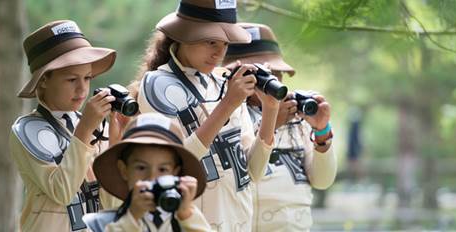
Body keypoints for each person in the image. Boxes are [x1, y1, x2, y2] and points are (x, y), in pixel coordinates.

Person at [131, 0, 280, 230]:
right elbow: (171, 164)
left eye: (225, 43)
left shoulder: (223, 83)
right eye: (211, 42)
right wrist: (227, 105)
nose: (219, 53)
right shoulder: (156, 85)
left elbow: (253, 172)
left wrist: (270, 109)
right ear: (183, 35)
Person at [223, 23, 338, 231]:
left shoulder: (297, 116)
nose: (273, 84)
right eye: (261, 77)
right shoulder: (225, 116)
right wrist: (271, 122)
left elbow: (322, 180)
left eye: (277, 73)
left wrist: (321, 132)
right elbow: (239, 174)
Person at [10, 20, 123, 231]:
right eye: (71, 80)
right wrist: (84, 130)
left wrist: (115, 145)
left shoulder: (95, 125)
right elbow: (62, 191)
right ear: (43, 80)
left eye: (87, 78)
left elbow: (111, 206)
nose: (82, 89)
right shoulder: (26, 130)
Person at [82, 113, 212, 231]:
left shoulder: (188, 218)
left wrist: (187, 215)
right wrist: (132, 218)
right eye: (141, 168)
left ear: (176, 173)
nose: (152, 177)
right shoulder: (100, 224)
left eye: (162, 169)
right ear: (124, 170)